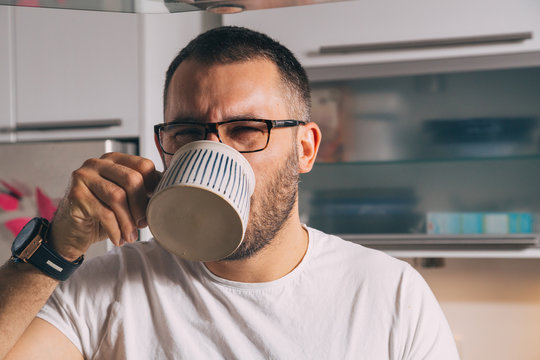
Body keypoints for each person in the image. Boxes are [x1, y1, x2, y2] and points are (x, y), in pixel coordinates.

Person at [1, 26, 460, 359]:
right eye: (187, 133)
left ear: (305, 148)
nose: (216, 151)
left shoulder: (389, 294)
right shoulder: (107, 288)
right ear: (164, 146)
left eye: (245, 129)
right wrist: (56, 247)